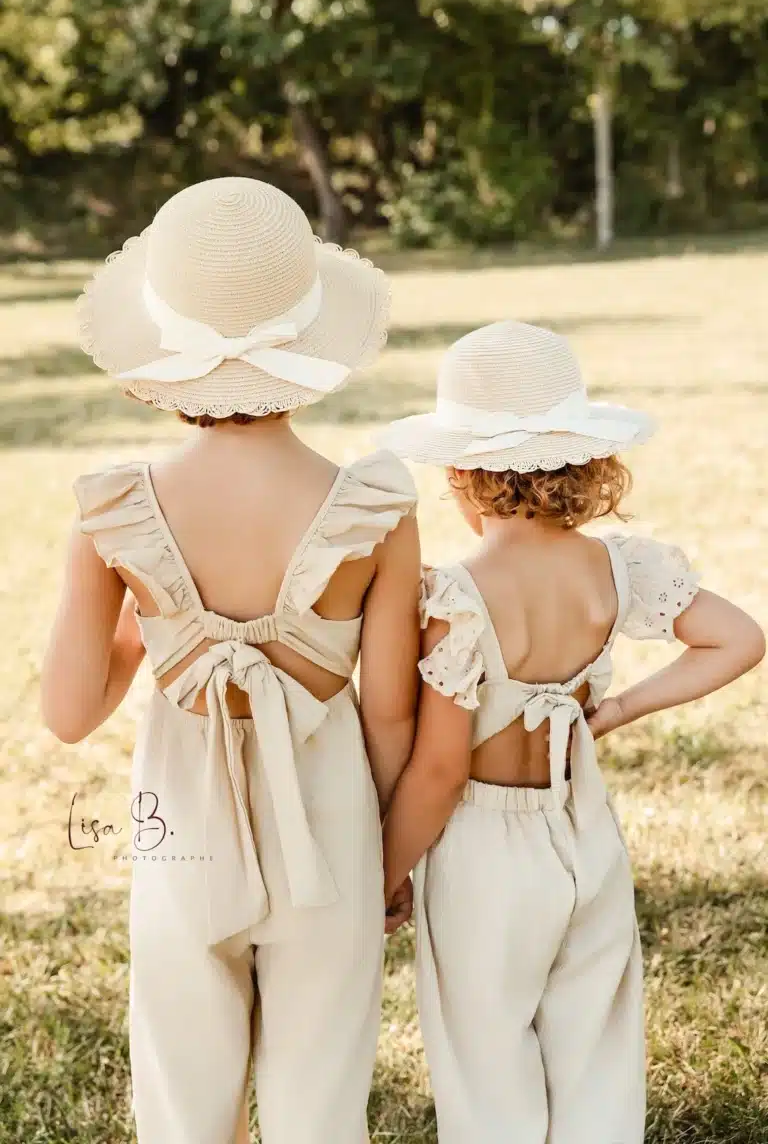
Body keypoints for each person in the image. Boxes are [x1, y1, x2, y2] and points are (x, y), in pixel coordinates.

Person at [41, 177, 421, 1144]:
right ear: (307, 344)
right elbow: (388, 709)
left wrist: (158, 623)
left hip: (182, 839)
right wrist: (385, 848)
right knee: (319, 1097)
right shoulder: (374, 507)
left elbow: (69, 711)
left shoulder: (116, 510)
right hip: (329, 833)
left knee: (182, 1089)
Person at [377, 320, 765, 1144]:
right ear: (581, 463)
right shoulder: (617, 569)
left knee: (487, 1062)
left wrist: (386, 871)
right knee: (595, 1051)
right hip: (584, 837)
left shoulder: (457, 597)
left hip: (485, 857)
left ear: (462, 474)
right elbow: (740, 639)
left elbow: (441, 771)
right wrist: (620, 709)